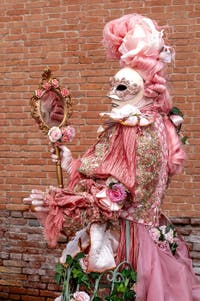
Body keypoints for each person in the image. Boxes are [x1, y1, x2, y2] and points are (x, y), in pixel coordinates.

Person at [24, 14, 200, 301]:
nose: (111, 94)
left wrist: (58, 204)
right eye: (113, 84)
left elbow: (118, 195)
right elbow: (111, 177)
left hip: (129, 242)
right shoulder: (160, 124)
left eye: (121, 87)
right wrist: (71, 163)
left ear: (144, 87)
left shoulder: (136, 128)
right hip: (150, 233)